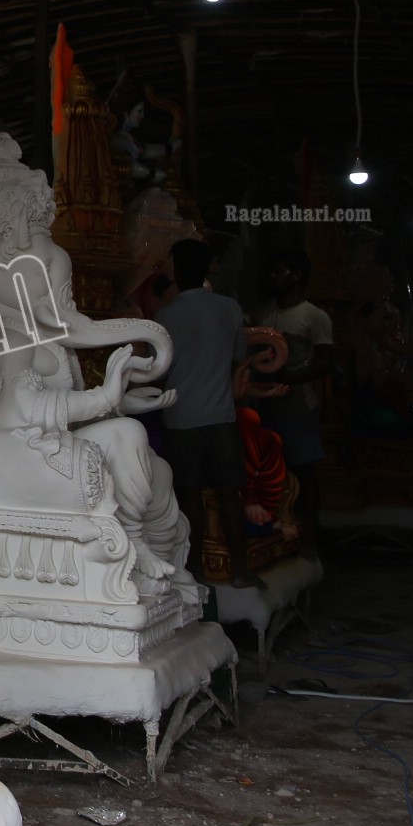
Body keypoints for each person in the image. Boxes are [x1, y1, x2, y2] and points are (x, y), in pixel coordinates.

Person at [155, 239, 255, 586]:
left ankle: (193, 570)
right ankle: (241, 570)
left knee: (189, 494)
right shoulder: (229, 308)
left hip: (181, 418)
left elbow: (158, 370)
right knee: (230, 494)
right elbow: (238, 357)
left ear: (179, 271)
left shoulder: (167, 315)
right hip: (221, 417)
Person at [255, 250, 333, 549]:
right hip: (266, 403)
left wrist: (291, 377)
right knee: (271, 471)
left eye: (279, 271)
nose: (272, 277)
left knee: (304, 470)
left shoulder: (314, 316)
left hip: (299, 405)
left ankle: (310, 536)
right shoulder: (265, 313)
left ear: (297, 276)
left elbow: (326, 361)